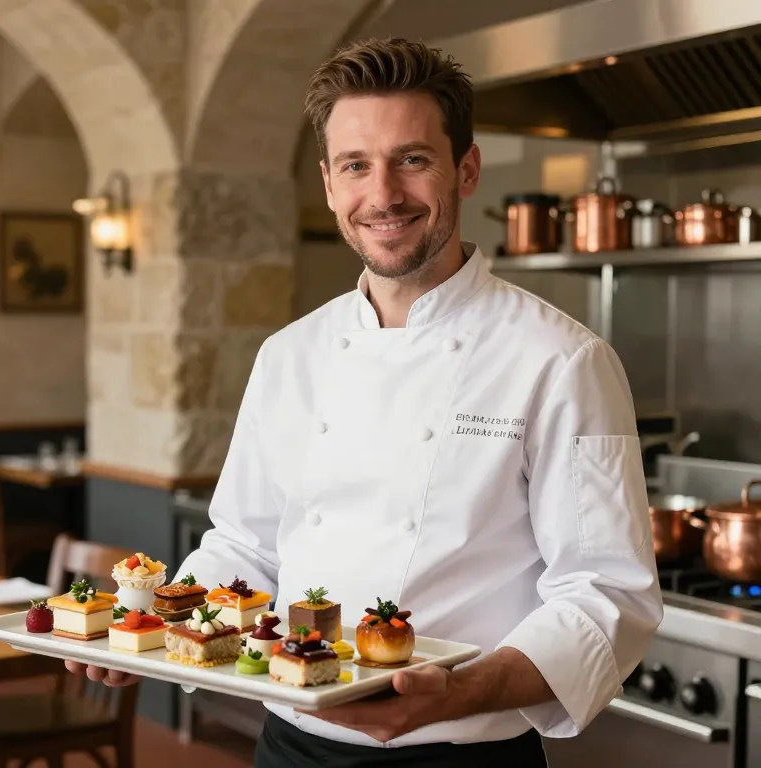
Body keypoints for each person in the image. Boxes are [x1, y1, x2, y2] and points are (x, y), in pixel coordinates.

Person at [69, 37, 663, 767]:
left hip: (458, 754)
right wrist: (149, 632)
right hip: (288, 745)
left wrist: (466, 689)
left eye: (412, 159)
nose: (382, 196)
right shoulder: (289, 354)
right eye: (356, 165)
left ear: (466, 169)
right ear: (327, 183)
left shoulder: (562, 360)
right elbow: (243, 547)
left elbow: (607, 593)